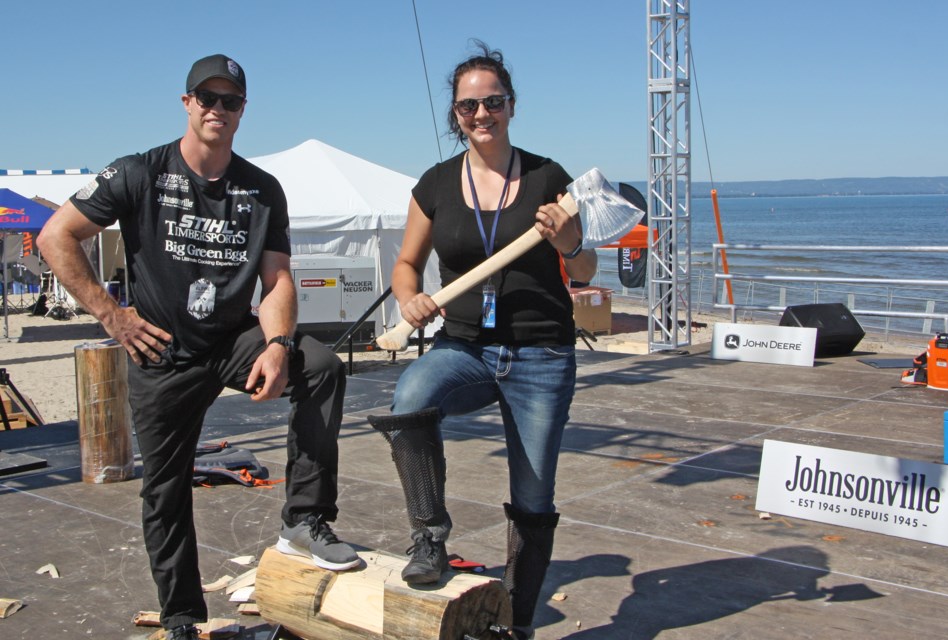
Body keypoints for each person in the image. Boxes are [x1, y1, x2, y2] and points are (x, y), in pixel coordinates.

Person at [37, 54, 359, 640]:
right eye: (206, 98)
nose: (217, 109)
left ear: (242, 110)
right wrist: (113, 316)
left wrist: (279, 344)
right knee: (165, 487)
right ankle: (183, 615)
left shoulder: (262, 189)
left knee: (321, 366)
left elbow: (279, 279)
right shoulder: (139, 172)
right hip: (160, 351)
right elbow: (56, 235)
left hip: (233, 338)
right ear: (187, 103)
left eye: (229, 101)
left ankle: (306, 520)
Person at [367, 42, 597, 640]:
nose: (480, 114)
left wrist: (570, 242)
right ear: (456, 115)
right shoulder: (437, 183)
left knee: (533, 493)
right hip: (463, 346)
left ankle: (514, 623)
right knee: (412, 395)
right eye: (468, 106)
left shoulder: (549, 177)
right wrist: (409, 296)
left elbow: (588, 273)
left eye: (492, 102)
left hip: (542, 353)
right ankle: (430, 539)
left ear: (511, 107)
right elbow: (407, 264)